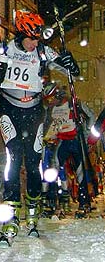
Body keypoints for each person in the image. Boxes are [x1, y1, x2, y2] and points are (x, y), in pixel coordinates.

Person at [0, 10, 81, 243]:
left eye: (37, 38)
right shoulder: (2, 49)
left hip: (35, 112)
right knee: (13, 158)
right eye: (30, 38)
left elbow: (73, 73)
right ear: (20, 34)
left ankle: (33, 212)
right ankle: (10, 214)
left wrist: (71, 62)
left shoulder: (42, 51)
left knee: (33, 161)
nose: (34, 43)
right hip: (10, 110)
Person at [43, 83, 96, 218]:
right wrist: (49, 137)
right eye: (48, 100)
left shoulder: (74, 104)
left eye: (51, 98)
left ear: (58, 95)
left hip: (76, 140)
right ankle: (52, 202)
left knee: (80, 172)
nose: (50, 102)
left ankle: (84, 203)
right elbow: (51, 124)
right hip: (62, 142)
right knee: (53, 171)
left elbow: (91, 116)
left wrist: (87, 134)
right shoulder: (51, 109)